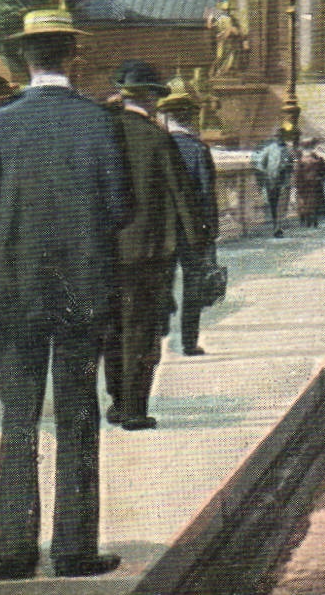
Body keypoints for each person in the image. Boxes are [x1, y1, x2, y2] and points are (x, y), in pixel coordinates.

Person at [0, 8, 131, 580]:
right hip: (82, 290)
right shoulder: (99, 122)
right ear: (72, 57)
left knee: (18, 418)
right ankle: (75, 549)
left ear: (24, 60)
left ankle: (13, 549)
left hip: (13, 293)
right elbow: (121, 207)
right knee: (78, 414)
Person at [103, 59, 208, 429]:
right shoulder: (157, 138)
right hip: (149, 252)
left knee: (113, 328)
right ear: (149, 97)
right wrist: (197, 244)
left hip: (105, 250)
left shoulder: (103, 132)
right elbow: (182, 195)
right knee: (143, 330)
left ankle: (117, 401)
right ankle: (134, 409)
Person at [158, 86, 218, 357]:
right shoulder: (197, 149)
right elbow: (206, 194)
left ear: (167, 117)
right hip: (193, 230)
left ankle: (159, 334)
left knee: (162, 281)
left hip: (162, 229)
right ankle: (189, 342)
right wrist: (210, 231)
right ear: (191, 118)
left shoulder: (157, 145)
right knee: (193, 284)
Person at [251, 129, 293, 238]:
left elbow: (291, 166)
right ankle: (276, 227)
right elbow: (259, 164)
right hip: (272, 181)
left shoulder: (288, 149)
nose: (279, 138)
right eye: (277, 136)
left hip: (284, 182)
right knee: (273, 205)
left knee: (282, 206)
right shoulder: (270, 149)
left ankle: (278, 227)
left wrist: (288, 176)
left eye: (281, 136)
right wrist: (265, 176)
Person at [293, 140, 325, 227]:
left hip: (304, 185)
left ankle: (306, 219)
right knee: (315, 202)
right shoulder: (318, 159)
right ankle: (314, 220)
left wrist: (297, 184)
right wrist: (322, 177)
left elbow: (297, 174)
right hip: (315, 184)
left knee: (305, 202)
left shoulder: (300, 161)